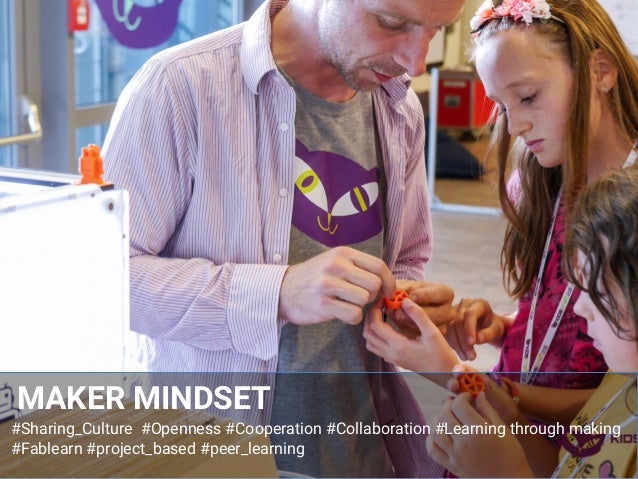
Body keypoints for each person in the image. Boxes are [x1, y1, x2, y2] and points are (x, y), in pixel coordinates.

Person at [102, 0, 465, 477]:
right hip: (214, 455)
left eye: (437, 31)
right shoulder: (179, 87)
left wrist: (402, 303)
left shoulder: (400, 107)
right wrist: (276, 294)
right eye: (392, 23)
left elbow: (407, 257)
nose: (415, 63)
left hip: (358, 449)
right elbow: (103, 283)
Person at [367, 0, 638, 392]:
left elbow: (610, 400)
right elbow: (564, 330)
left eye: (527, 97)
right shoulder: (537, 181)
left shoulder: (629, 204)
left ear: (600, 71)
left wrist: (452, 373)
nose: (516, 126)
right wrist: (507, 326)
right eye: (501, 107)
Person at [424, 165, 638, 477]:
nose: (580, 308)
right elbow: (563, 466)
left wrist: (503, 473)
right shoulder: (620, 380)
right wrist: (510, 416)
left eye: (600, 294)